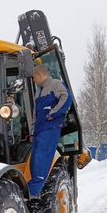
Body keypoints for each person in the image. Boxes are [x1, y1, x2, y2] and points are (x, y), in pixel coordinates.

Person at [28, 64, 72, 198]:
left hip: (50, 128)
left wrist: (53, 113)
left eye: (34, 77)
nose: (34, 80)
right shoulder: (39, 91)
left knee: (42, 158)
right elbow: (35, 113)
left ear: (40, 74)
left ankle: (34, 191)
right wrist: (32, 131)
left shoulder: (55, 84)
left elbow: (67, 98)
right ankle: (33, 188)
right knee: (34, 158)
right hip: (40, 130)